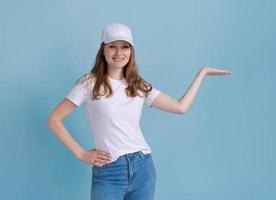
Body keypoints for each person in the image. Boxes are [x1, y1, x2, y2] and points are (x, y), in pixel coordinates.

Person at [47, 23, 232, 200]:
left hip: (143, 168)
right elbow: (54, 119)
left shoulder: (137, 85)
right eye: (113, 46)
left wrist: (202, 73)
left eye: (125, 47)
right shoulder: (89, 83)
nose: (119, 53)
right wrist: (81, 154)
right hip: (109, 171)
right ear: (103, 49)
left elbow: (180, 107)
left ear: (131, 51)